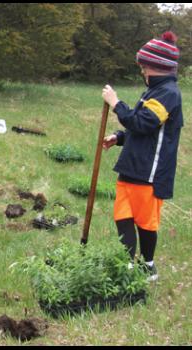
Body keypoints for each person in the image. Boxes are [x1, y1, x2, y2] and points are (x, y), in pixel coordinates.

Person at [101, 31, 183, 282]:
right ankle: (127, 266)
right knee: (122, 217)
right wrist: (120, 137)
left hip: (149, 173)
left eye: (144, 67)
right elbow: (141, 131)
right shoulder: (153, 91)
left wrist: (116, 104)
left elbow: (144, 123)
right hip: (131, 168)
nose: (141, 72)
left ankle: (148, 267)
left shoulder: (168, 93)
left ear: (156, 68)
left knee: (145, 222)